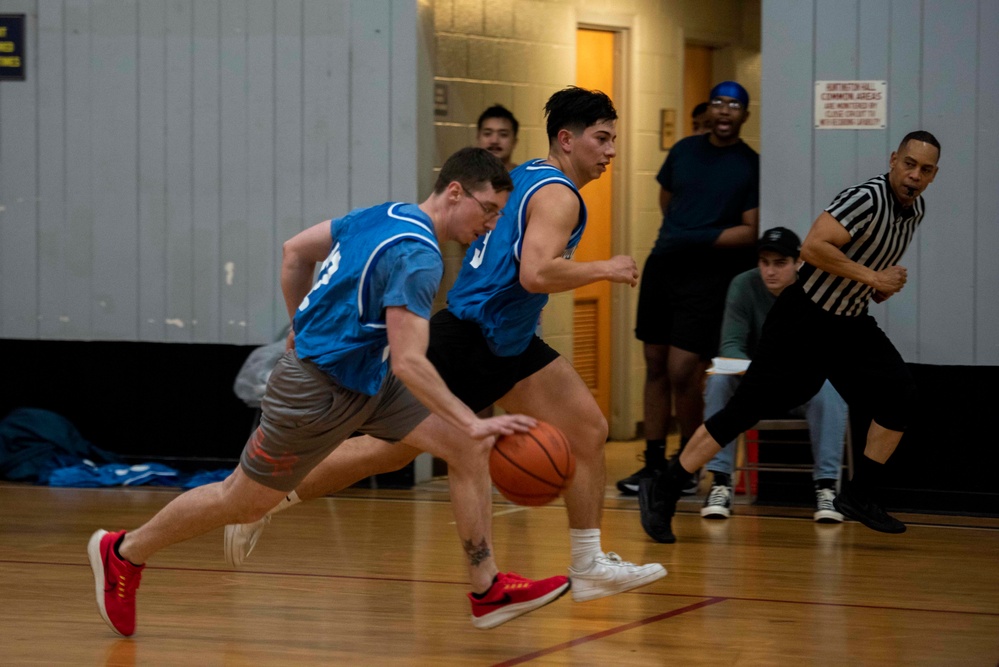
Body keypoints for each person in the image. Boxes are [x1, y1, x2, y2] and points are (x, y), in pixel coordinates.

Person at [87, 147, 572, 637]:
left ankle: (487, 590)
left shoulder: (385, 213)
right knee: (243, 501)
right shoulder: (420, 259)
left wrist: (300, 320)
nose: (491, 224)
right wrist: (473, 416)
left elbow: (294, 251)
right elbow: (409, 362)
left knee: (467, 447)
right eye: (488, 210)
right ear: (454, 192)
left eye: (498, 215)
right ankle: (123, 552)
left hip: (365, 378)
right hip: (311, 394)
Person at [225, 86, 666, 602]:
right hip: (474, 338)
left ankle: (588, 564)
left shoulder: (525, 175)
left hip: (510, 340)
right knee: (384, 453)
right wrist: (605, 268)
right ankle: (267, 499)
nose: (611, 150)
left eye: (613, 139)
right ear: (567, 140)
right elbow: (535, 273)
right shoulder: (561, 196)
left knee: (588, 429)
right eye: (603, 138)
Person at [639, 131, 941, 543]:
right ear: (893, 160)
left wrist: (874, 287)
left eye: (925, 170)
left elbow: (858, 263)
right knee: (743, 411)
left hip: (849, 323)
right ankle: (666, 487)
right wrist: (872, 276)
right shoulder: (866, 198)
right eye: (909, 164)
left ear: (933, 176)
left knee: (900, 396)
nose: (914, 175)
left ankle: (859, 494)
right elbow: (814, 248)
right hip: (804, 319)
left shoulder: (915, 210)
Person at [618, 81, 759, 496]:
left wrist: (697, 236)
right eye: (718, 103)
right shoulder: (683, 151)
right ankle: (655, 463)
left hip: (709, 277)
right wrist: (680, 234)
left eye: (734, 106)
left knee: (684, 370)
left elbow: (751, 231)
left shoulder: (750, 164)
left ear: (744, 116)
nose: (724, 111)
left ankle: (689, 464)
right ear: (709, 110)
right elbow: (667, 200)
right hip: (664, 267)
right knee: (656, 362)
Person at [699, 226, 847, 523]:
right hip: (756, 385)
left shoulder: (816, 290)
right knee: (718, 381)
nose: (770, 271)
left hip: (801, 383)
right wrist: (763, 373)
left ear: (798, 263)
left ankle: (827, 488)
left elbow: (826, 351)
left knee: (831, 387)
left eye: (780, 263)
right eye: (765, 262)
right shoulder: (743, 285)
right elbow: (731, 346)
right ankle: (720, 483)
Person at [476, 104, 519, 171]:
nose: (494, 141)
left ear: (514, 142)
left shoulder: (526, 179)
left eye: (503, 134)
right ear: (478, 138)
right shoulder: (464, 177)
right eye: (487, 134)